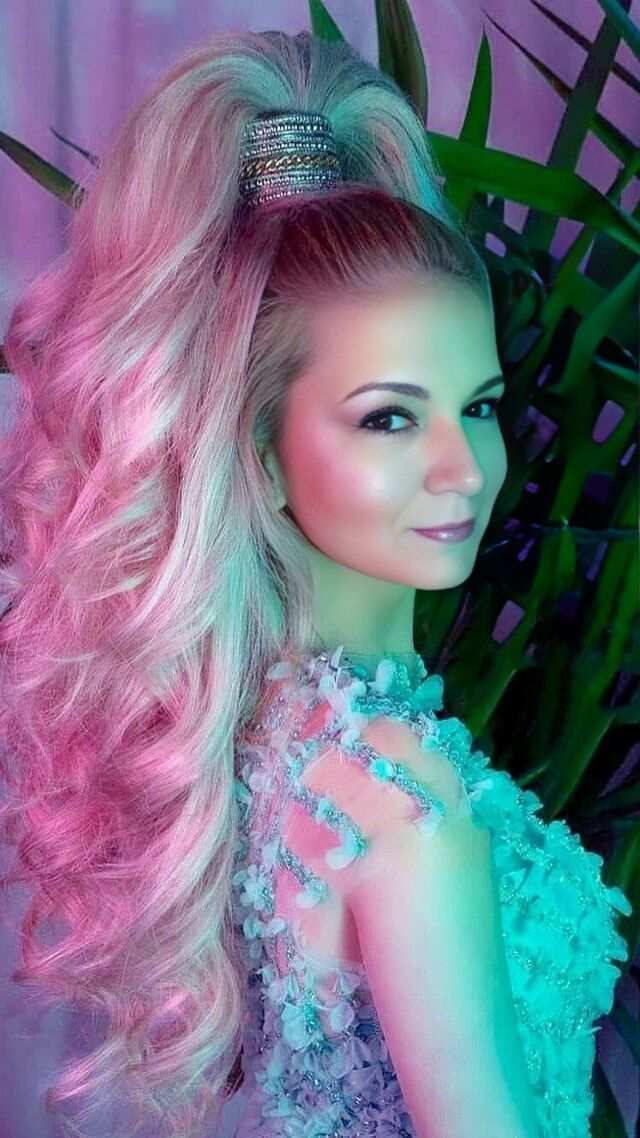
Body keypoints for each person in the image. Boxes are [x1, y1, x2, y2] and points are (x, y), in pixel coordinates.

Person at [0, 27, 631, 1138]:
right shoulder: (401, 801)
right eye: (389, 418)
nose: (465, 467)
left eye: (478, 406)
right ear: (259, 447)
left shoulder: (263, 731)